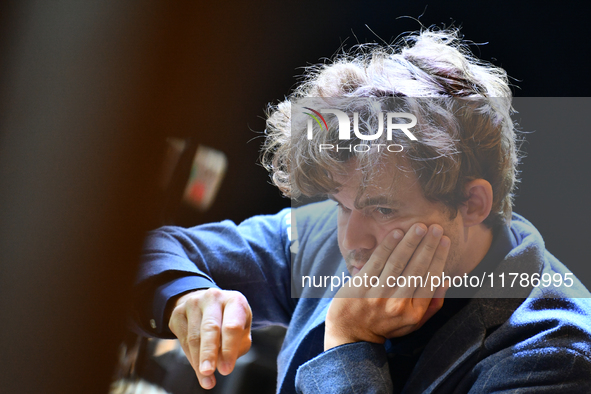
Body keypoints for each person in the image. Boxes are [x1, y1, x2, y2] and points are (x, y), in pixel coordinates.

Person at [133, 29, 591, 393]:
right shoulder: (335, 236)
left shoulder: (554, 354)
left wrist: (348, 344)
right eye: (340, 204)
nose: (351, 240)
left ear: (472, 204)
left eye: (384, 209)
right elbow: (143, 252)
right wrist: (185, 295)